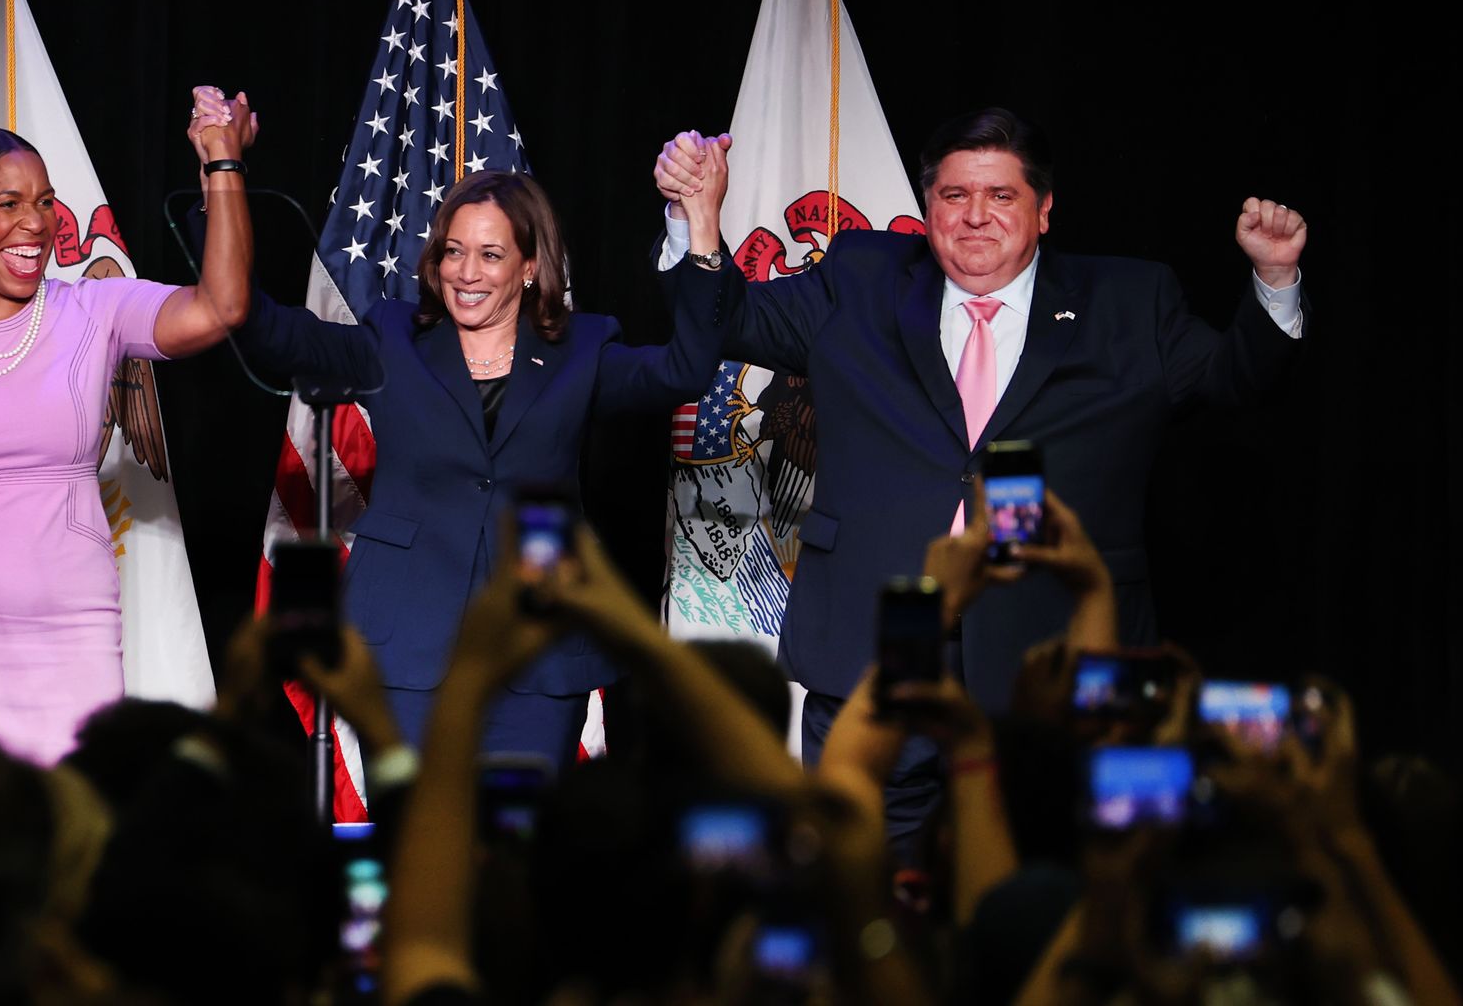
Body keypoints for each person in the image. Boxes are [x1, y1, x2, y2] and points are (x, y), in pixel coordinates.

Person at [651, 106, 1307, 815]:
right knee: (863, 880)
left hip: (1051, 660)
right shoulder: (861, 276)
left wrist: (1275, 278)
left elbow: (1231, 380)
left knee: (1040, 894)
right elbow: (728, 324)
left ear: (1044, 210)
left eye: (1001, 196)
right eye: (955, 196)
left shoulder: (1130, 301)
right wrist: (698, 220)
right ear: (928, 206)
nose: (975, 217)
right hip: (879, 647)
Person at [227, 161, 730, 769]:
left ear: (529, 267)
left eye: (491, 255)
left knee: (517, 853)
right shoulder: (393, 339)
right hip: (406, 644)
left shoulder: (583, 349)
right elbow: (269, 333)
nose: (467, 273)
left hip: (538, 653)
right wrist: (222, 180)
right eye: (453, 251)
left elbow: (688, 370)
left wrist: (696, 225)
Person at [0, 91, 256, 765]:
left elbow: (221, 307)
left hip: (74, 634)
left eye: (43, 202)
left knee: (75, 835)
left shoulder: (93, 310)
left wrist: (224, 162)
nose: (34, 223)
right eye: (8, 204)